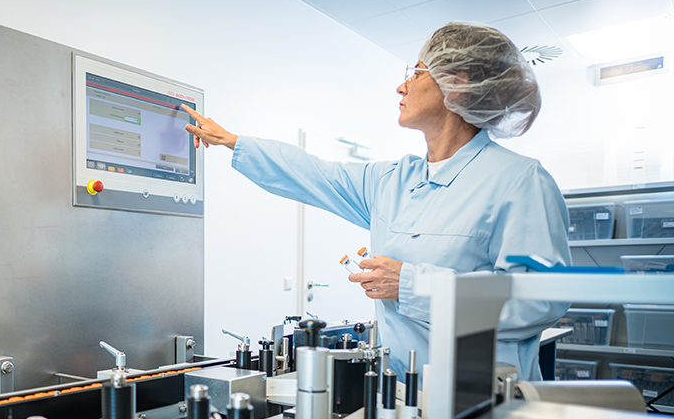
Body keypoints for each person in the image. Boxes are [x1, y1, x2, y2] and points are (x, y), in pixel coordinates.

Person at [182, 21, 571, 381]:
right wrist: (233, 142)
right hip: (402, 396)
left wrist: (412, 285)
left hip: (482, 402)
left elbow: (540, 300)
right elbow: (313, 174)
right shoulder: (394, 180)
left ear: (456, 84)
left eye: (416, 73)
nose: (402, 87)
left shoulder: (519, 181)